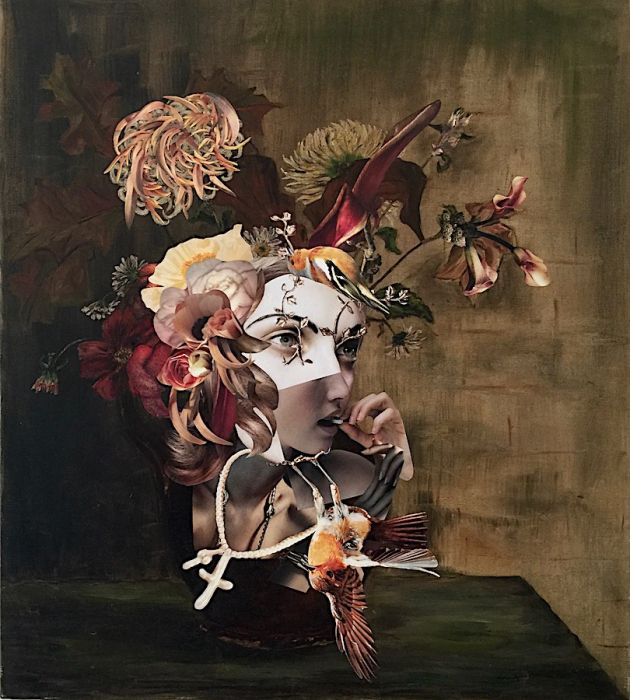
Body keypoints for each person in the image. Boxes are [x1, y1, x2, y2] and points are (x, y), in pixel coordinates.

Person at [152, 245, 416, 645]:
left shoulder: (350, 481)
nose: (340, 387)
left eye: (347, 348)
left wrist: (373, 501)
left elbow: (296, 604)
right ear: (222, 356)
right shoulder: (186, 483)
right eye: (289, 339)